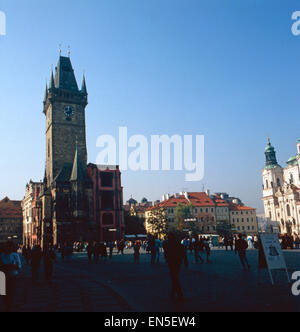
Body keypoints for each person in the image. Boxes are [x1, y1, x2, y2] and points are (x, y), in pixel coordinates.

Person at [164, 233, 188, 302]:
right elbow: (183, 253)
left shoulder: (168, 245)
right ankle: (173, 293)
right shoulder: (178, 244)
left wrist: (167, 259)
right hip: (178, 262)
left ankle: (179, 294)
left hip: (172, 263)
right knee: (174, 277)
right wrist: (186, 262)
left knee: (174, 277)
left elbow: (166, 254)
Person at [0, 241, 22, 312]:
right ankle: (6, 305)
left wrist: (13, 266)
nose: (8, 248)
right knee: (3, 293)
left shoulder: (15, 255)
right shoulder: (1, 255)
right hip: (2, 276)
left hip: (12, 276)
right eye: (7, 246)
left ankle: (9, 306)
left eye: (10, 247)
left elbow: (19, 266)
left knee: (11, 292)